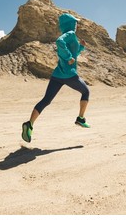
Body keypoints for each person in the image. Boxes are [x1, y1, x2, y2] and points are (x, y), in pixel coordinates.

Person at [21, 13, 90, 143]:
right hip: (69, 75)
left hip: (57, 75)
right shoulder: (70, 33)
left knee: (46, 100)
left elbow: (73, 53)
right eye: (75, 23)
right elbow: (59, 42)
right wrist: (69, 57)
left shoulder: (71, 35)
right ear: (70, 24)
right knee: (86, 92)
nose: (76, 25)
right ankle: (80, 118)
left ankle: (29, 125)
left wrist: (81, 47)